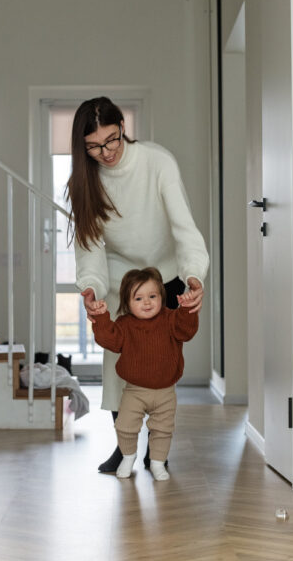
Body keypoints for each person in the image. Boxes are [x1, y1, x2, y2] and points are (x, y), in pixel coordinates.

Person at [65, 96, 209, 472]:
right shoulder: (86, 182)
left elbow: (184, 228)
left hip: (167, 274)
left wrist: (194, 274)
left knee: (158, 363)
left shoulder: (157, 162)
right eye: (94, 146)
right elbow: (91, 252)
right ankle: (124, 446)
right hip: (118, 280)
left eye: (111, 139)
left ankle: (156, 448)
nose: (106, 152)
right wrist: (92, 290)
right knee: (117, 366)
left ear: (123, 128)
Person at [89, 268, 199, 479]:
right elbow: (108, 339)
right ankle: (128, 457)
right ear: (127, 303)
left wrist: (186, 309)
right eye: (138, 298)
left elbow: (187, 331)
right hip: (134, 391)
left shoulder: (171, 319)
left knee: (162, 430)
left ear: (162, 297)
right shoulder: (125, 324)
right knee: (124, 426)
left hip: (165, 392)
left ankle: (157, 463)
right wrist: (101, 316)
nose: (147, 302)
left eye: (152, 296)